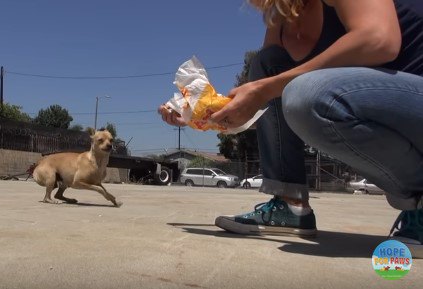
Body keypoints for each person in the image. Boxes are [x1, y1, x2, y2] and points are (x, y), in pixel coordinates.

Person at [158, 0, 423, 257]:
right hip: (388, 110)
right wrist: (202, 115)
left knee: (303, 94)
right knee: (268, 63)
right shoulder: (280, 16)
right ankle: (290, 204)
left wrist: (265, 89)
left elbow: (379, 39)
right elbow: (266, 102)